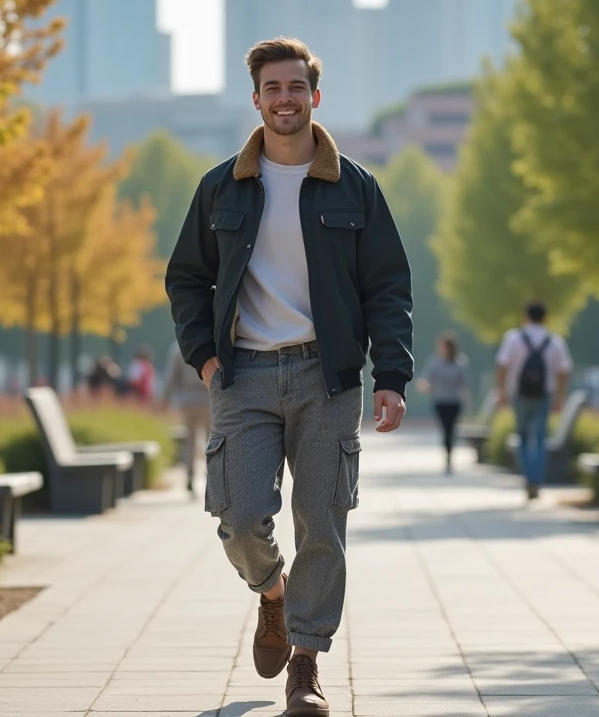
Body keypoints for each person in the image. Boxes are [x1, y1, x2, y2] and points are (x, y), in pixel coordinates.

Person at [165, 37, 413, 717]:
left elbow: (388, 286)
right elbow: (187, 278)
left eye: (295, 87)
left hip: (327, 377)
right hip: (242, 375)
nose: (284, 99)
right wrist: (206, 357)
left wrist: (390, 373)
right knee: (240, 519)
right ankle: (273, 596)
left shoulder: (354, 187)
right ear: (256, 99)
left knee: (321, 526)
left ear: (315, 95)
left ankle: (305, 663)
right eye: (272, 88)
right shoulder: (222, 187)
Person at [496, 301, 573, 500]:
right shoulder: (555, 341)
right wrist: (560, 396)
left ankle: (528, 478)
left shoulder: (513, 338)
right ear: (545, 318)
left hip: (520, 395)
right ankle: (536, 480)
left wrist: (502, 391)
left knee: (522, 437)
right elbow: (564, 369)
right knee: (539, 439)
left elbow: (502, 365)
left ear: (525, 316)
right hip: (544, 396)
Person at [416, 331, 472, 475]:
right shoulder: (434, 362)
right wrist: (424, 385)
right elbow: (427, 379)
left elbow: (465, 382)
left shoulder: (460, 362)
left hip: (454, 401)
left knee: (451, 430)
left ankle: (449, 455)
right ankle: (447, 454)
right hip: (440, 401)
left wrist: (467, 399)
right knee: (445, 429)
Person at [161, 339, 211, 496]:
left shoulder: (178, 349)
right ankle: (211, 474)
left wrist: (166, 398)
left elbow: (171, 377)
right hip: (209, 397)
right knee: (213, 439)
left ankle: (190, 476)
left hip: (187, 399)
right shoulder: (209, 343)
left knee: (190, 441)